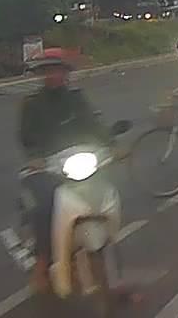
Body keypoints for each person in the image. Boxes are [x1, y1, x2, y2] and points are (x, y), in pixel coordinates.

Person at [18, 48, 112, 293]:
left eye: (56, 70)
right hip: (48, 165)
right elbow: (27, 138)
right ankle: (42, 262)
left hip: (79, 160)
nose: (52, 75)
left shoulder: (77, 99)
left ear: (65, 73)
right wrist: (35, 158)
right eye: (46, 71)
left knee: (104, 195)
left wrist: (112, 145)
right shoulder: (32, 104)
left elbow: (94, 125)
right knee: (45, 207)